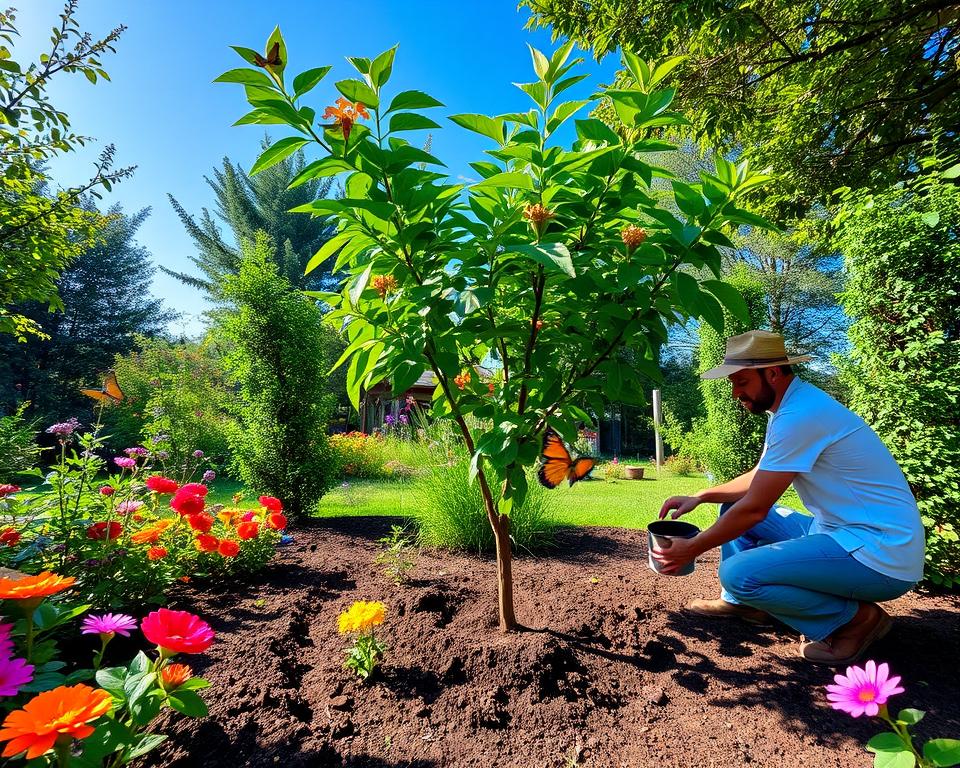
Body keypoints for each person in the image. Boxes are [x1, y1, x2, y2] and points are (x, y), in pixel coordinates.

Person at [652, 330, 924, 665]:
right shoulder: (791, 409)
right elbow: (758, 478)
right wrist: (702, 495)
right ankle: (744, 604)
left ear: (773, 373)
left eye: (741, 381)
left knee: (739, 574)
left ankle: (857, 622)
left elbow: (755, 509)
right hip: (843, 532)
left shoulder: (800, 416)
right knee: (731, 507)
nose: (736, 393)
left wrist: (692, 547)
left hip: (880, 553)